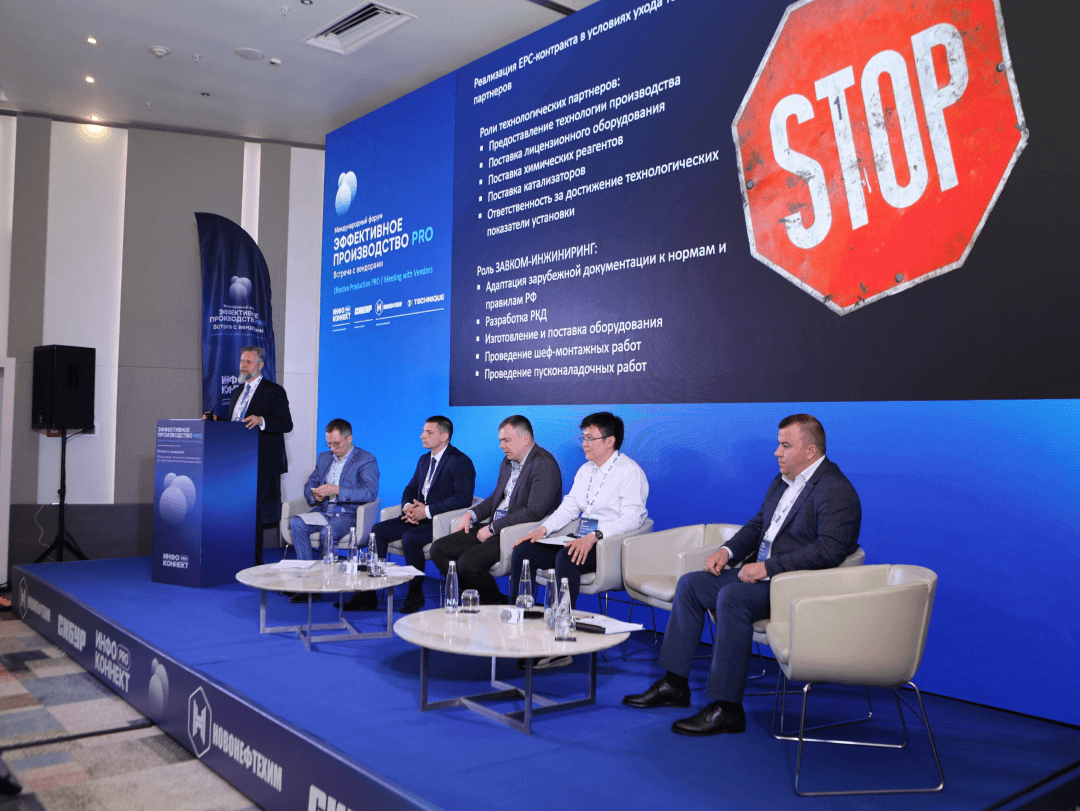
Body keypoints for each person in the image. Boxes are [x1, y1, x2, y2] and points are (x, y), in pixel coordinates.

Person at [622, 414, 861, 736]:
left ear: (810, 450)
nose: (777, 452)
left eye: (785, 445)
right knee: (691, 584)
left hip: (793, 585)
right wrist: (727, 551)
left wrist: (768, 568)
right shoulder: (784, 481)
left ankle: (728, 708)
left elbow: (830, 550)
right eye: (778, 444)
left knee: (732, 598)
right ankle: (674, 685)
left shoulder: (836, 490)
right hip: (761, 576)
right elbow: (758, 526)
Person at [510, 411, 648, 610]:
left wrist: (595, 536)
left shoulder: (630, 471)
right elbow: (569, 507)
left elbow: (633, 518)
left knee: (567, 556)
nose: (584, 444)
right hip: (580, 539)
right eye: (583, 438)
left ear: (610, 441)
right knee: (524, 550)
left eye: (590, 438)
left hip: (607, 545)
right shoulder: (585, 470)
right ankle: (520, 614)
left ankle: (561, 618)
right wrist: (543, 530)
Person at [429, 415, 561, 606]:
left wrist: (493, 528)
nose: (501, 446)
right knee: (439, 549)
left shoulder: (543, 463)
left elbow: (534, 512)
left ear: (525, 439)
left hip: (515, 531)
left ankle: (495, 604)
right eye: (501, 441)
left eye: (506, 440)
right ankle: (479, 600)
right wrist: (471, 514)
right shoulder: (508, 461)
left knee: (468, 564)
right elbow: (496, 497)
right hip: (495, 526)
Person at [364, 416, 475, 613]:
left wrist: (427, 511)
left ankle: (415, 594)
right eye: (423, 431)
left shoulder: (460, 462)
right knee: (377, 530)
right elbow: (410, 488)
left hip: (440, 522)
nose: (422, 436)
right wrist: (408, 507)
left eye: (429, 432)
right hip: (418, 517)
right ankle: (369, 591)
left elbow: (463, 499)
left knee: (411, 538)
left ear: (444, 436)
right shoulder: (424, 460)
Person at [203, 345, 293, 565]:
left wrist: (262, 421)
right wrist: (217, 421)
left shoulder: (273, 391)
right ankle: (235, 558)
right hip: (237, 462)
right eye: (242, 361)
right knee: (237, 511)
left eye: (248, 362)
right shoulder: (237, 392)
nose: (243, 365)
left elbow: (286, 424)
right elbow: (238, 425)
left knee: (253, 512)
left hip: (261, 462)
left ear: (260, 365)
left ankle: (254, 563)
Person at [286, 419, 378, 602]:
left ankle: (320, 582)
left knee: (327, 532)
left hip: (348, 514)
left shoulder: (365, 459)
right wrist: (315, 495)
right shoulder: (324, 457)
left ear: (349, 439)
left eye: (336, 444)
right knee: (297, 523)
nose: (332, 448)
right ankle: (309, 580)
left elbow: (370, 492)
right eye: (329, 443)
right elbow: (310, 483)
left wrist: (337, 490)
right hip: (325, 511)